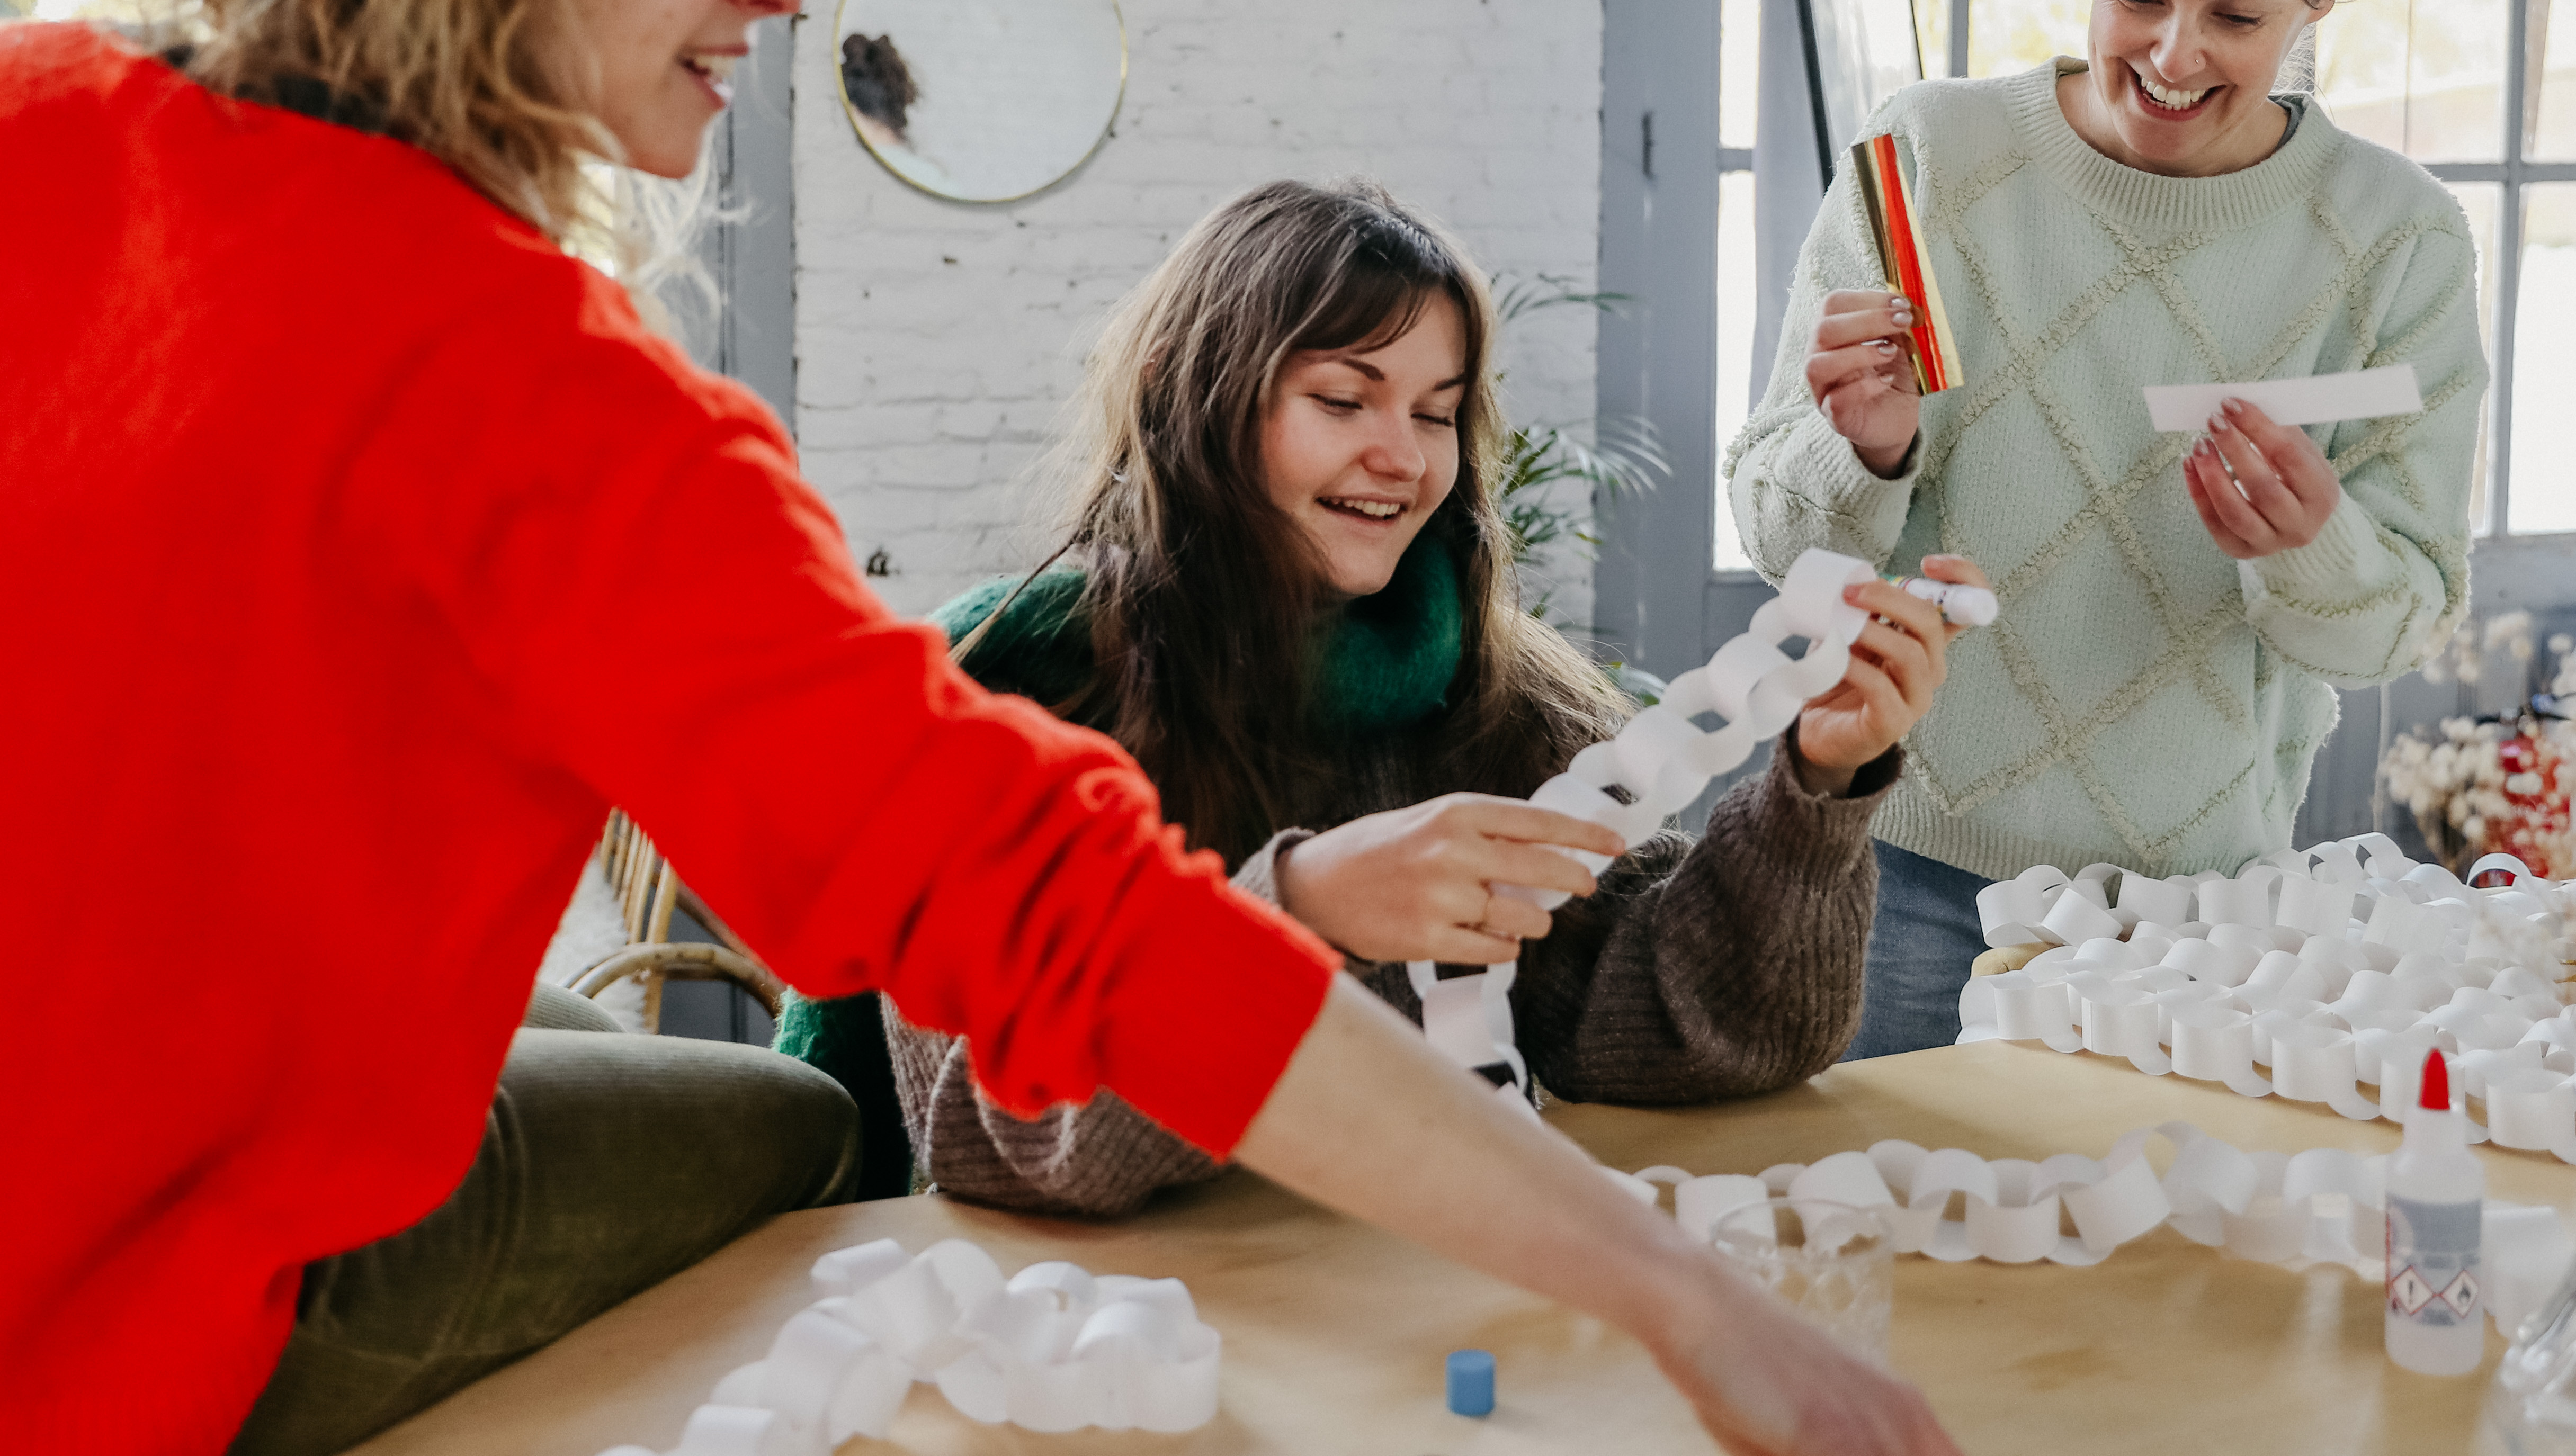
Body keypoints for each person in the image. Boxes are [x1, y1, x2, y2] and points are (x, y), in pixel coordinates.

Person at [0, 0, 1990, 1456]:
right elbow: (1081, 934)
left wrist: (1811, 792)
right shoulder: (558, 414)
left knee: (589, 1065)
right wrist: (1705, 1319)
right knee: (783, 1134)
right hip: (95, 1368)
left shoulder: (34, 111)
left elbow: (1665, 991)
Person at [798, 178, 1982, 1216]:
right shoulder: (1017, 695)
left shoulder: (1492, 695)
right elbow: (1006, 1140)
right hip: (1098, 1358)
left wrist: (1818, 781)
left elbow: (1688, 1023)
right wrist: (1303, 910)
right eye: (1341, 398)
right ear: (1187, 391)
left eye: (1432, 410)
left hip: (1397, 1327)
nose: (1403, 457)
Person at [1726, 0, 2486, 1061]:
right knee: (1878, 1268)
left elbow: (2397, 620)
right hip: (1900, 871)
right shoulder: (1929, 162)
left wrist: (2309, 540)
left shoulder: (2396, 239)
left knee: (2160, 1282)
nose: (2174, 56)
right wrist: (1867, 447)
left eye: (2238, 15)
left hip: (2200, 915)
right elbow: (1780, 527)